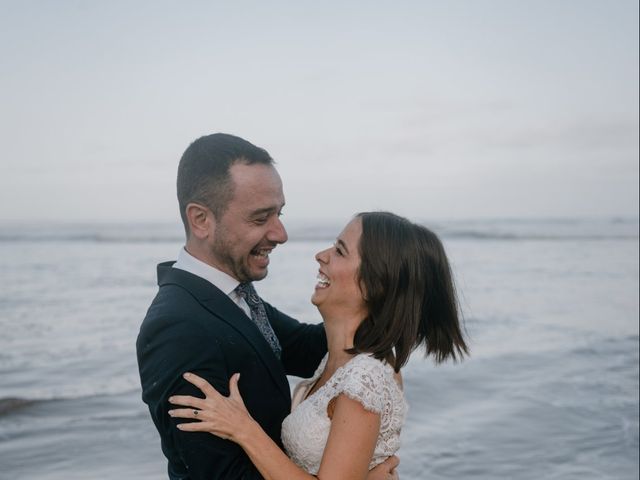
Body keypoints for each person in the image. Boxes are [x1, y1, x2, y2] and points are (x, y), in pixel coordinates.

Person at [136, 133, 399, 479]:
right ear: (201, 220)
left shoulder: (234, 294)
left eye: (279, 213)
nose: (280, 233)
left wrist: (383, 292)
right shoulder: (177, 328)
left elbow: (311, 348)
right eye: (260, 219)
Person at [168, 211, 469, 479]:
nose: (321, 255)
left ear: (374, 283)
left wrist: (243, 429)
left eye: (340, 250)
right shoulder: (335, 361)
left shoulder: (364, 378)